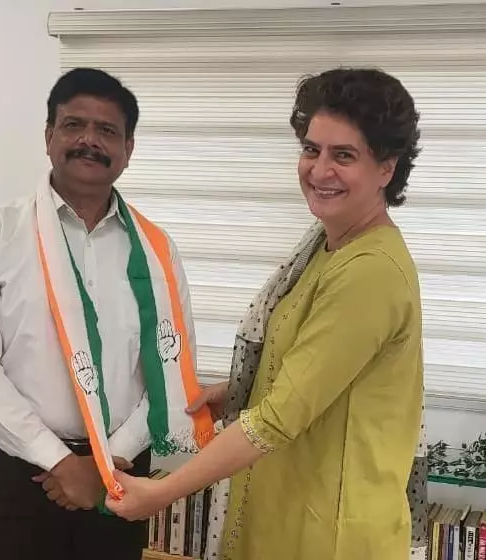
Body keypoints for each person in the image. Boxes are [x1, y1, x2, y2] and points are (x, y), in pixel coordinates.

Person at [106, 67, 426, 560]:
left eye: (344, 155)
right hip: (286, 506)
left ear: (387, 167)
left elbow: (278, 418)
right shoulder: (329, 246)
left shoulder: (370, 271)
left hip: (330, 533)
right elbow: (309, 369)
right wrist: (239, 390)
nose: (320, 170)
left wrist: (162, 493)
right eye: (312, 149)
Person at [0, 67, 211, 560]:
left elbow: (172, 366)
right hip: (16, 468)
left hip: (120, 473)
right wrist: (61, 461)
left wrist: (109, 460)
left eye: (107, 130)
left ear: (128, 149)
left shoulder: (158, 250)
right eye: (74, 125)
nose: (89, 140)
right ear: (49, 136)